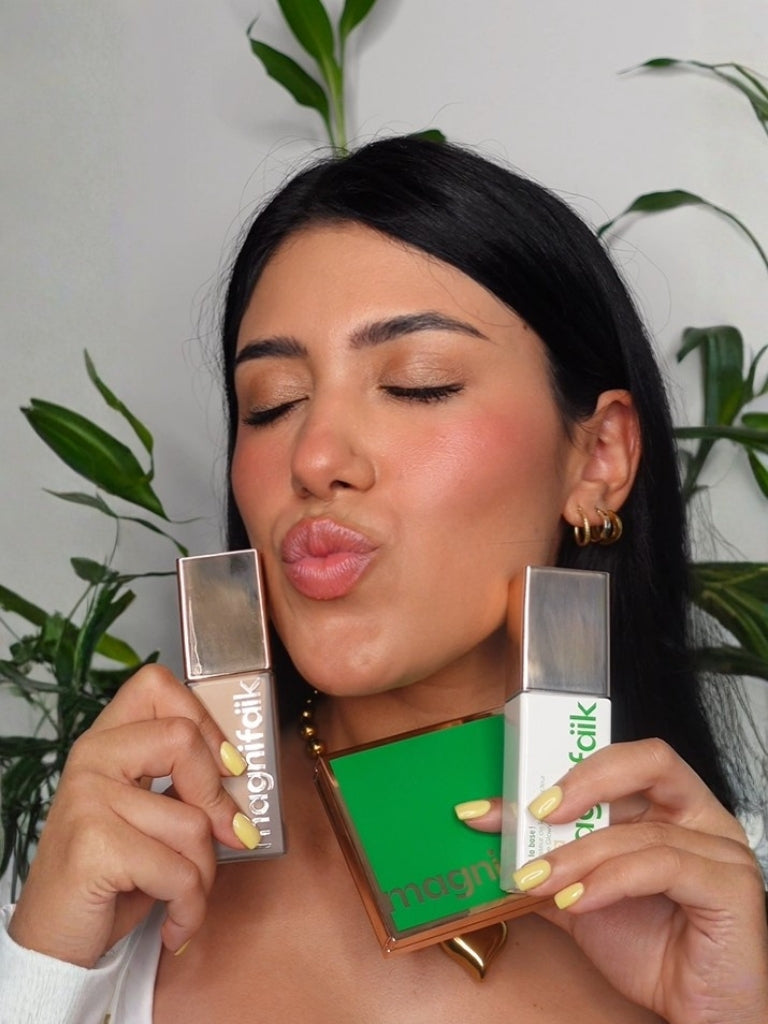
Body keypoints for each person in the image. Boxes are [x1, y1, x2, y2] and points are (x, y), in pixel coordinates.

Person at [1, 135, 766, 1023]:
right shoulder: (112, 892)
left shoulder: (726, 919)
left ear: (598, 458)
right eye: (272, 404)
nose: (314, 456)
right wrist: (43, 979)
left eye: (416, 384)